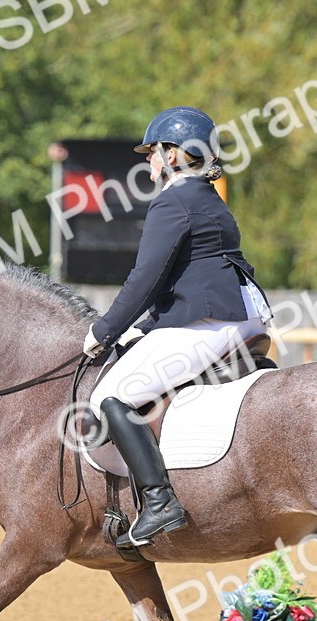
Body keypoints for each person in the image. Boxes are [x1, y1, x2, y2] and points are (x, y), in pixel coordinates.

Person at [83, 106, 272, 549]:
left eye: (152, 152)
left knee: (111, 395)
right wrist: (146, 327)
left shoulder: (173, 200)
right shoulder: (207, 198)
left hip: (214, 320)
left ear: (173, 154)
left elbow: (145, 278)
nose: (148, 161)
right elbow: (186, 276)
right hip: (244, 314)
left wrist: (105, 331)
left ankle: (159, 501)